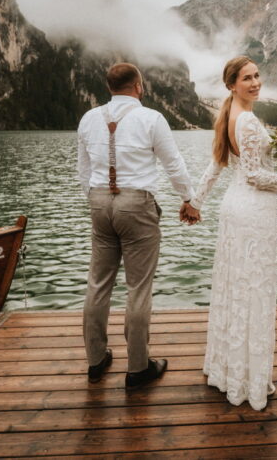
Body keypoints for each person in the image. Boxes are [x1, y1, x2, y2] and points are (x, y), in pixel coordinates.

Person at [189, 56, 277, 410]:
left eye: (257, 75)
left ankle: (229, 371)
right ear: (232, 85)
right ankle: (247, 381)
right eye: (247, 78)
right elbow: (255, 176)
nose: (255, 82)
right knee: (254, 291)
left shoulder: (229, 115)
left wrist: (196, 201)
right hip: (253, 212)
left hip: (236, 209)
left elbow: (217, 165)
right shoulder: (246, 120)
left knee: (237, 288)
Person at [77, 62, 202, 388]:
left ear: (109, 88)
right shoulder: (151, 118)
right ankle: (137, 367)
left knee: (98, 283)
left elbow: (83, 170)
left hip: (99, 202)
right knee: (138, 287)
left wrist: (95, 198)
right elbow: (173, 163)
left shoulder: (89, 118)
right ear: (139, 86)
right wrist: (189, 199)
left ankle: (95, 361)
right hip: (136, 205)